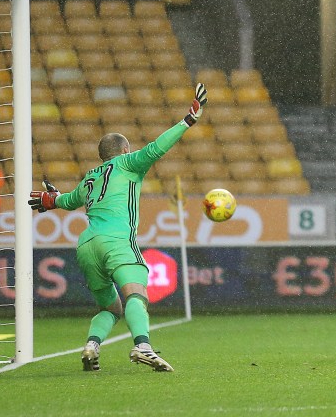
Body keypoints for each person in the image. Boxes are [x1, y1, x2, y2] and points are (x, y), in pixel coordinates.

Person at [28, 83, 208, 373]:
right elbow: (157, 147)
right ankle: (143, 346)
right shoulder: (128, 163)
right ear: (125, 149)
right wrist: (188, 120)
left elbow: (67, 200)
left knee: (110, 308)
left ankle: (92, 345)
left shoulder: (90, 177)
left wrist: (51, 199)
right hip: (116, 239)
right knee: (136, 294)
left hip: (87, 245)